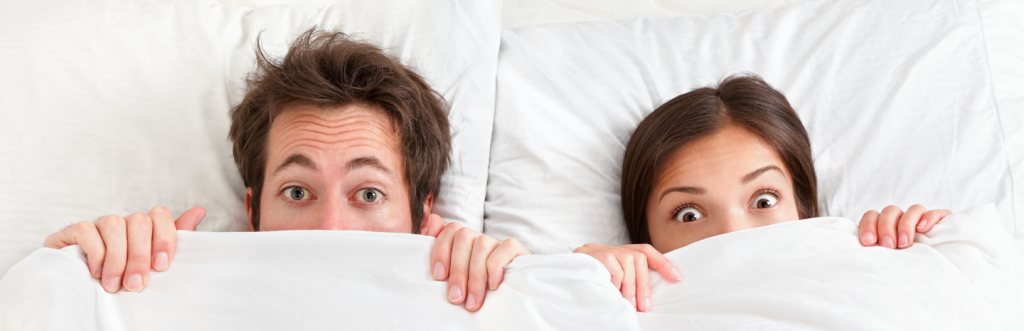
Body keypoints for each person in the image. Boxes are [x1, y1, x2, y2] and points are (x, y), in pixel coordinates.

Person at [41, 28, 529, 312]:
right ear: (252, 212)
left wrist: (528, 287)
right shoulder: (155, 299)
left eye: (369, 194)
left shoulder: (489, 304)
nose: (330, 229)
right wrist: (68, 278)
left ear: (425, 217)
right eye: (298, 192)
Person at [574, 74, 951, 313]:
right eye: (689, 213)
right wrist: (567, 282)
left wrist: (924, 254)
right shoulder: (605, 301)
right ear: (646, 237)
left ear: (804, 210)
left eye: (763, 201)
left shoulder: (873, 278)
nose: (734, 236)